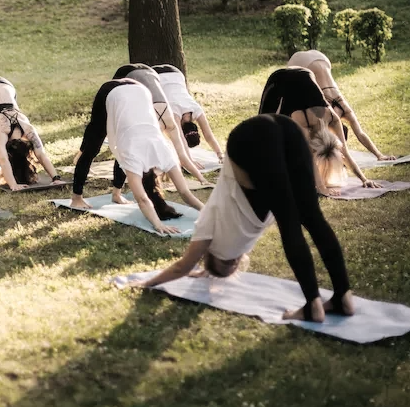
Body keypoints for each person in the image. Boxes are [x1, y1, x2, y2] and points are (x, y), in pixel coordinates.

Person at [130, 114, 355, 322]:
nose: (234, 262)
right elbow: (195, 263)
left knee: (290, 224)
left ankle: (313, 305)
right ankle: (342, 297)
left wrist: (148, 282)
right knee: (312, 218)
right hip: (282, 128)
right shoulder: (229, 237)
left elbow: (184, 267)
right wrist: (207, 267)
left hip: (251, 140)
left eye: (227, 264)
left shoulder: (223, 234)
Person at [70, 78, 204, 234]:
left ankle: (113, 195)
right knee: (94, 147)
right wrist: (157, 225)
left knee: (106, 148)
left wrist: (209, 211)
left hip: (141, 89)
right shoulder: (134, 160)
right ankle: (77, 199)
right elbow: (142, 199)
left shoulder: (165, 155)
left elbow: (185, 193)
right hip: (113, 92)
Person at [258, 67, 378, 193]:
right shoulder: (302, 120)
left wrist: (364, 179)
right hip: (279, 78)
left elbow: (345, 153)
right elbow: (309, 156)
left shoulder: (333, 118)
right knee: (263, 126)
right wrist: (322, 188)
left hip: (306, 73)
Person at [110, 63, 210, 184]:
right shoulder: (165, 127)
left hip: (149, 77)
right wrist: (201, 178)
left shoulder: (170, 123)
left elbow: (182, 157)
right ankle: (118, 187)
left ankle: (118, 187)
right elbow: (182, 157)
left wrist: (201, 178)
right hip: (137, 79)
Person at [288, 50, 395, 160]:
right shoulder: (328, 115)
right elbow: (360, 134)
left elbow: (360, 134)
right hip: (305, 62)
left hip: (322, 59)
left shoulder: (345, 110)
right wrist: (379, 155)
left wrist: (379, 155)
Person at [151, 63, 224, 162]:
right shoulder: (175, 113)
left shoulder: (196, 109)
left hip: (176, 73)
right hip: (157, 76)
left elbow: (209, 135)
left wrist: (220, 154)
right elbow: (180, 139)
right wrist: (189, 160)